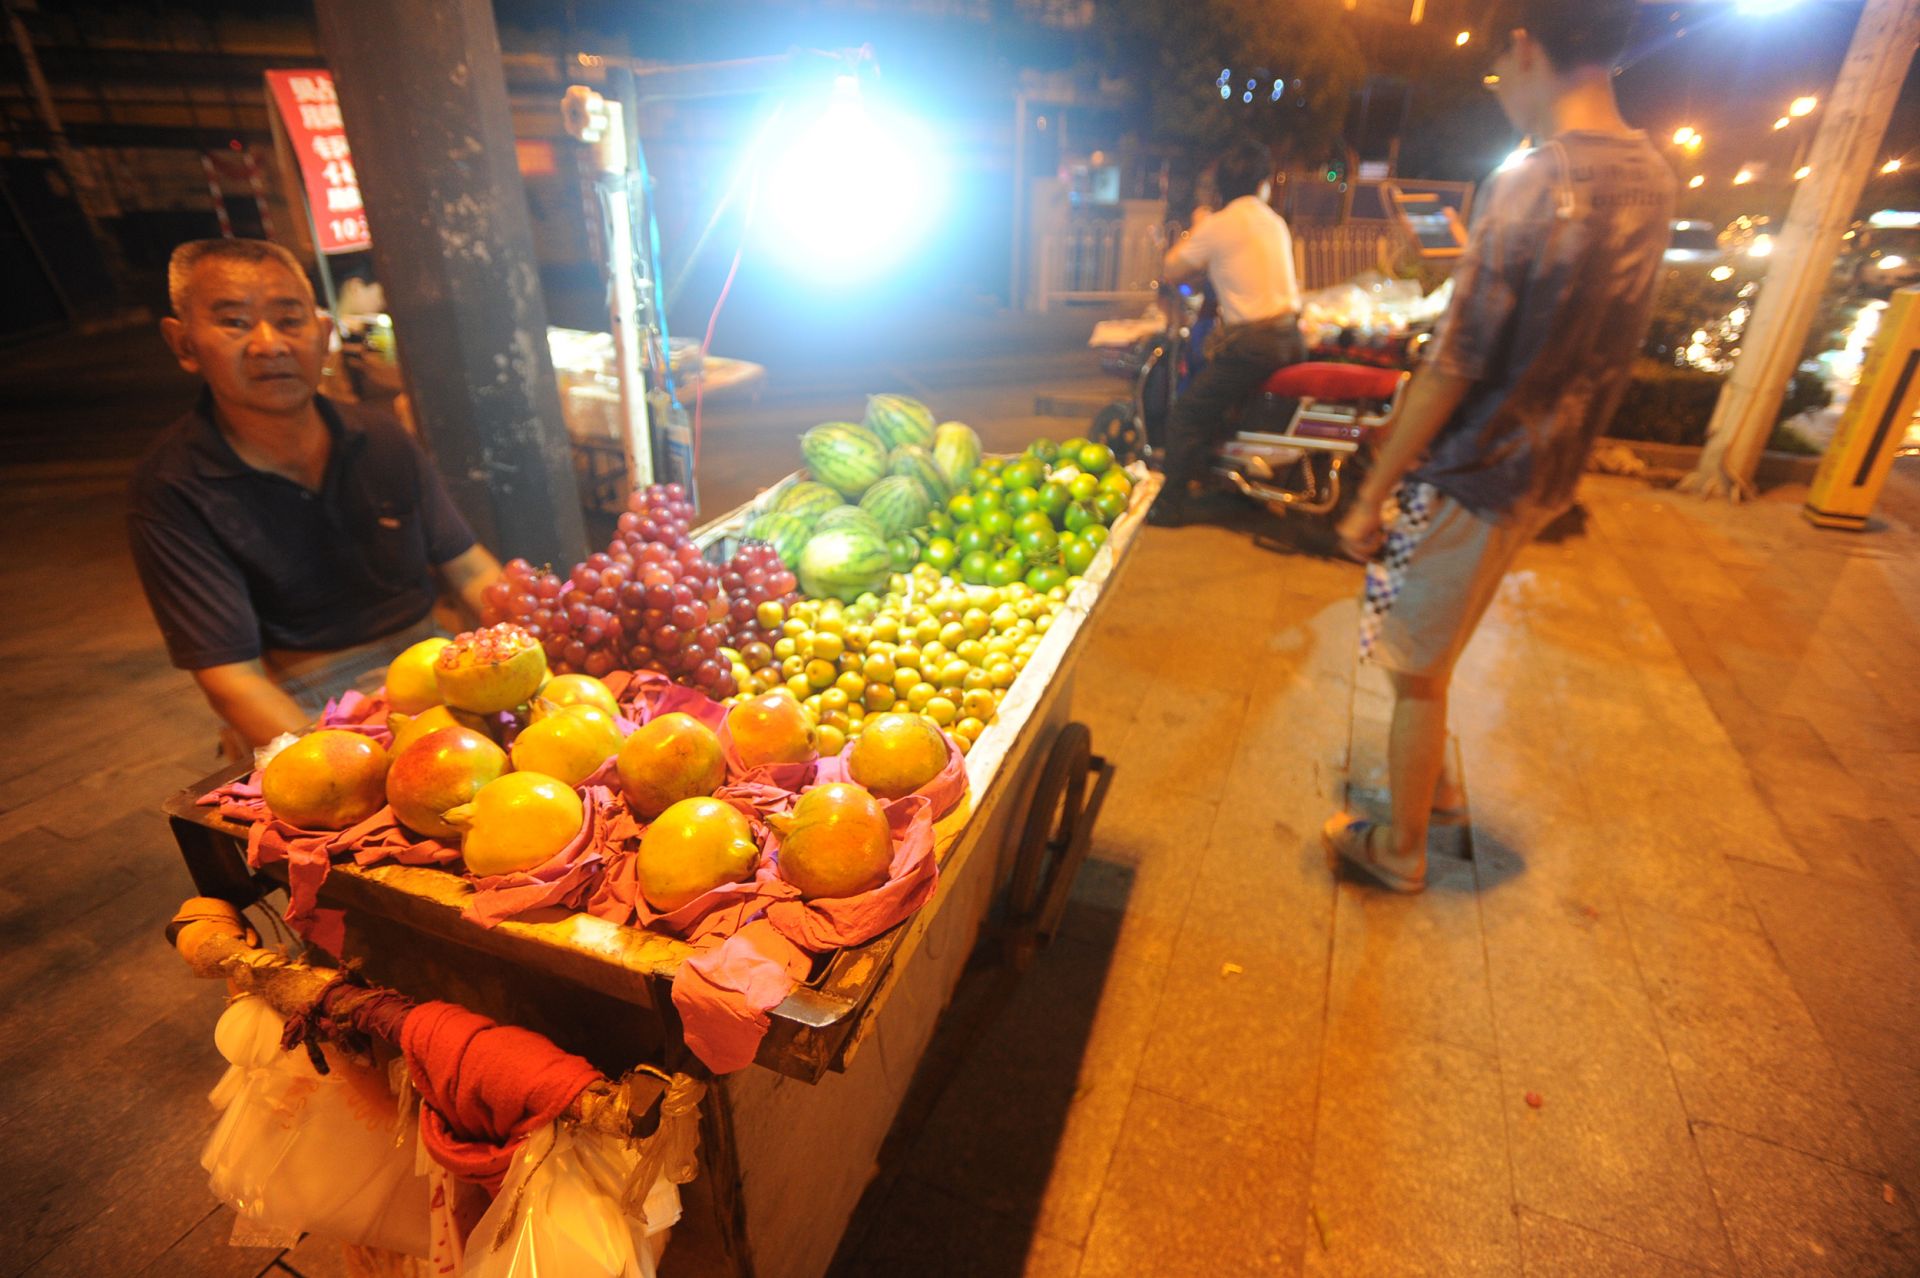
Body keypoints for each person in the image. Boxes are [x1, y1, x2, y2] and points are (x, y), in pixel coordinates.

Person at [1321, 0, 1674, 892]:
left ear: (1526, 51)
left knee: (1408, 661)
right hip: (1548, 473)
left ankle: (1399, 850)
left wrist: (1371, 495)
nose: (1501, 92)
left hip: (1472, 471)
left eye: (1500, 72)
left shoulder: (1531, 180)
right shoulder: (1654, 175)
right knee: (1441, 635)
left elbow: (1454, 364)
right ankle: (1435, 791)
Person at [128, 238, 502, 752]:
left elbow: (472, 571)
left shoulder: (381, 437)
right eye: (235, 322)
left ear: (323, 333)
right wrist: (335, 761)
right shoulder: (173, 487)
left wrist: (520, 656)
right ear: (184, 344)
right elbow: (233, 678)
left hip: (434, 672)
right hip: (303, 702)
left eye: (289, 320)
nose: (269, 345)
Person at [1150, 136, 1305, 527]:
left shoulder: (1220, 224)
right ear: (1262, 183)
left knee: (1187, 413)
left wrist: (1198, 226)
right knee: (1237, 405)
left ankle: (1169, 507)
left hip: (1253, 343)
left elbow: (1172, 268)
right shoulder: (1274, 222)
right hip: (1293, 338)